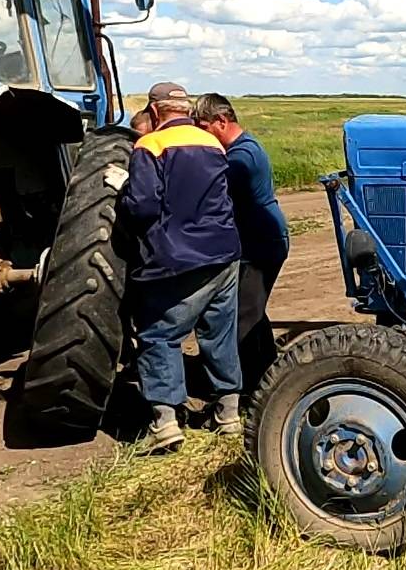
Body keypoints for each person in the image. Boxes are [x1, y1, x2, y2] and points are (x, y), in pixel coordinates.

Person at [116, 81, 243, 452]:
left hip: (178, 259)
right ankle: (229, 414)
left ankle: (165, 423)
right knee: (218, 333)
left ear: (155, 112)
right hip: (223, 254)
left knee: (160, 334)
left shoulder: (150, 145)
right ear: (186, 110)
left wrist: (123, 190)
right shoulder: (213, 144)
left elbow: (143, 207)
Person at [191, 93, 290, 393]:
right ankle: (270, 377)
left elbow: (212, 194)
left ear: (221, 121)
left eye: (203, 128)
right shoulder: (245, 148)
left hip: (260, 245)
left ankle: (244, 390)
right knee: (254, 313)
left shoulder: (240, 158)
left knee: (241, 319)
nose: (203, 137)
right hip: (264, 240)